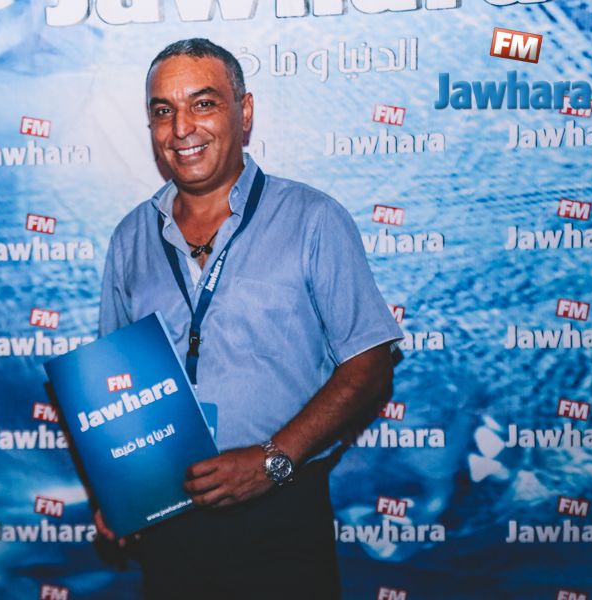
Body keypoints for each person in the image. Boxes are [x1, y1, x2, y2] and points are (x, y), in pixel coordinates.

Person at [96, 38, 403, 599]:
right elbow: (116, 382)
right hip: (166, 519)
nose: (181, 128)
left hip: (281, 513)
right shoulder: (130, 237)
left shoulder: (313, 219)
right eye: (163, 111)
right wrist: (117, 488)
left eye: (203, 103)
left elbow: (370, 364)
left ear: (245, 112)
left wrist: (271, 461)